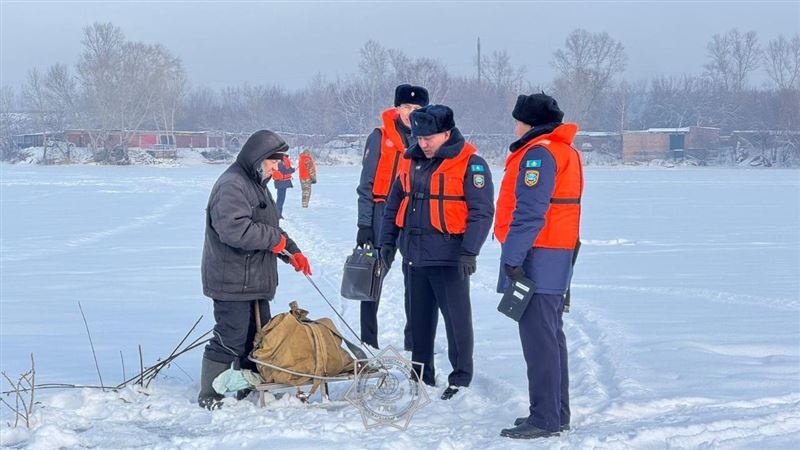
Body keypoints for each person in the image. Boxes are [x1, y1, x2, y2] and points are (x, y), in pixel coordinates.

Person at [379, 104, 494, 400]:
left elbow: (481, 212)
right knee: (418, 321)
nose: (424, 143)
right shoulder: (410, 161)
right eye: (419, 138)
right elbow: (393, 206)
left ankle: (461, 378)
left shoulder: (472, 163)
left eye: (430, 137)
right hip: (414, 255)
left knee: (457, 322)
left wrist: (470, 251)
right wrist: (387, 244)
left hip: (450, 257)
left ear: (446, 133)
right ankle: (421, 374)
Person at [198, 130, 313, 410]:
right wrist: (277, 241)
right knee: (231, 336)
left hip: (254, 280)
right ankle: (210, 394)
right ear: (260, 158)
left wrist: (292, 252)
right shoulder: (233, 184)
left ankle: (247, 387)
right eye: (274, 162)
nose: (277, 168)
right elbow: (234, 230)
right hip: (233, 280)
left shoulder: (257, 182)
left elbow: (270, 227)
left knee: (257, 338)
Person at [494, 93, 583, 439]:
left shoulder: (539, 155)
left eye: (517, 120)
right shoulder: (564, 151)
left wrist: (513, 259)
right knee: (550, 336)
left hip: (538, 255)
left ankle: (545, 418)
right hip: (556, 253)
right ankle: (555, 412)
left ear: (528, 123)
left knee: (539, 340)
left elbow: (530, 213)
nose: (515, 126)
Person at [356, 84, 429, 350]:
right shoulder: (380, 136)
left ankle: (415, 343)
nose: (411, 113)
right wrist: (364, 223)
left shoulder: (428, 140)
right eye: (407, 107)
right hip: (382, 214)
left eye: (417, 108)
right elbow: (366, 184)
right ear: (397, 108)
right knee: (374, 278)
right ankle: (368, 342)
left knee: (417, 281)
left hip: (415, 216)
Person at [271, 153, 295, 218]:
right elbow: (285, 170)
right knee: (280, 199)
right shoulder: (281, 161)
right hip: (282, 182)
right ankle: (277, 214)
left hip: (281, 182)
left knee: (280, 199)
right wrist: (292, 170)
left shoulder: (279, 160)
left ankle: (278, 214)